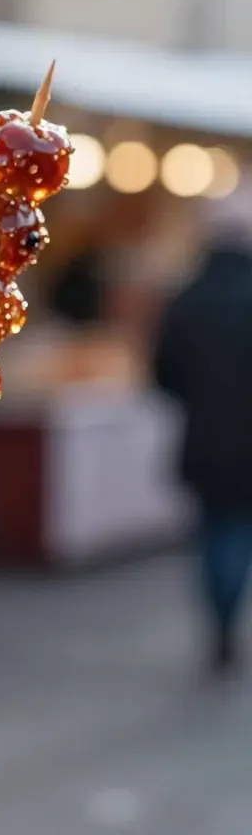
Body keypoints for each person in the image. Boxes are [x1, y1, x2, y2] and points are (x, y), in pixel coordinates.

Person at [153, 179, 252, 674]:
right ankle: (227, 621)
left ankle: (219, 621)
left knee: (214, 531)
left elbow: (163, 371)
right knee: (238, 533)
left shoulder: (188, 298)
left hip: (204, 437)